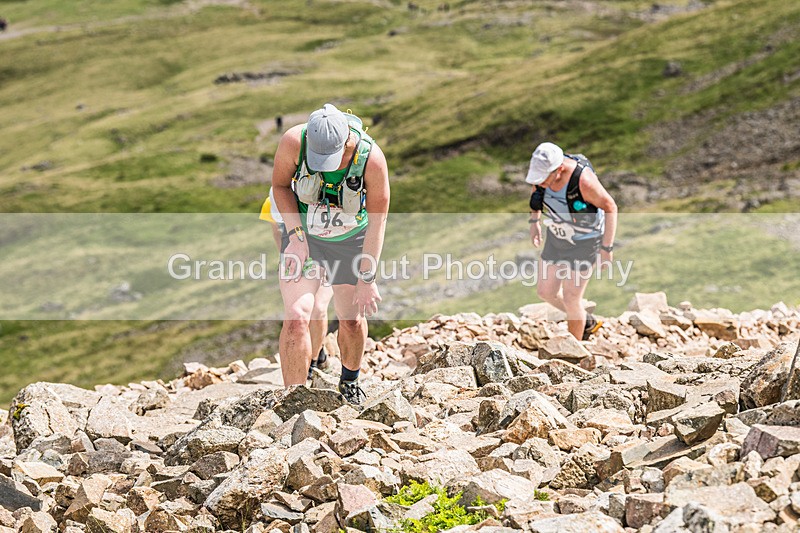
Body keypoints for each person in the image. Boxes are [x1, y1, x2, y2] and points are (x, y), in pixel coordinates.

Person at [271, 103, 390, 404]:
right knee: (297, 316)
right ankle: (293, 401)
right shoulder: (293, 142)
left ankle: (350, 380)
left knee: (350, 319)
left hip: (351, 240)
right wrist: (296, 237)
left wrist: (367, 277)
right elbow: (280, 186)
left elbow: (378, 220)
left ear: (347, 141)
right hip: (305, 237)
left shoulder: (371, 160)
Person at [526, 142, 617, 341]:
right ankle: (585, 319)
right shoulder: (542, 177)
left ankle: (574, 351)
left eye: (542, 179)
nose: (539, 183)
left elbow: (610, 207)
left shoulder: (584, 182)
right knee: (545, 291)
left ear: (558, 170)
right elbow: (536, 194)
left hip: (586, 241)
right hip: (558, 235)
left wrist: (606, 248)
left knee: (571, 297)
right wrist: (535, 221)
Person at [260, 186, 336, 379]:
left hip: (329, 252)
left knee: (319, 308)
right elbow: (278, 233)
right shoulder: (274, 198)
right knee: (301, 312)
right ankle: (315, 356)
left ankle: (313, 361)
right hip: (299, 254)